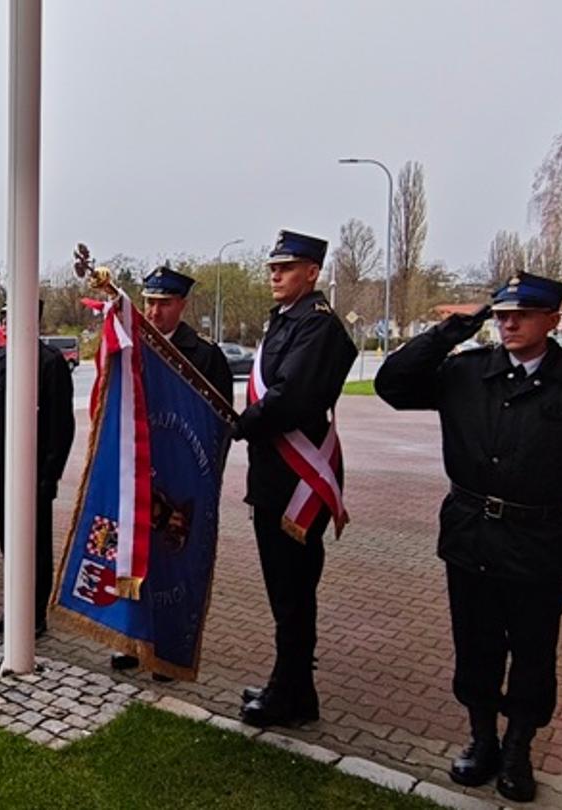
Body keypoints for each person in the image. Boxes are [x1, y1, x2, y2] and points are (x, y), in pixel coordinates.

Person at [374, 272, 562, 803]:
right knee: (476, 645)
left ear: (553, 321)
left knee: (534, 652)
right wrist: (448, 333)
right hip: (472, 535)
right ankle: (481, 739)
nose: (508, 323)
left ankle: (518, 748)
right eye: (500, 315)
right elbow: (392, 385)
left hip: (541, 541)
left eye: (522, 315)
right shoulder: (466, 372)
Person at [230, 229, 357, 730]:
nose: (275, 275)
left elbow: (292, 396)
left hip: (299, 478)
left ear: (313, 272)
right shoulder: (284, 321)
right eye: (272, 267)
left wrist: (241, 426)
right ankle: (291, 685)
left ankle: (292, 692)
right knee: (283, 590)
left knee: (295, 590)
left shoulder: (318, 326)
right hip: (272, 475)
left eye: (286, 267)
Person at [112, 263, 237, 673]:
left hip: (184, 480)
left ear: (182, 304)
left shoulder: (206, 355)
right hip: (141, 474)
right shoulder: (135, 348)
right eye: (148, 302)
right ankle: (132, 643)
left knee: (174, 564)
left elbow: (220, 421)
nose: (154, 311)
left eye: (164, 303)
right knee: (134, 558)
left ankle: (168, 652)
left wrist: (208, 480)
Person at [0, 308, 76, 636]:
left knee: (34, 545)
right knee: (9, 542)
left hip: (34, 473)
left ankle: (34, 616)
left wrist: (50, 475)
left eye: (15, 316)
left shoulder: (49, 362)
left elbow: (61, 426)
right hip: (2, 469)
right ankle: (14, 608)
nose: (8, 324)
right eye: (5, 319)